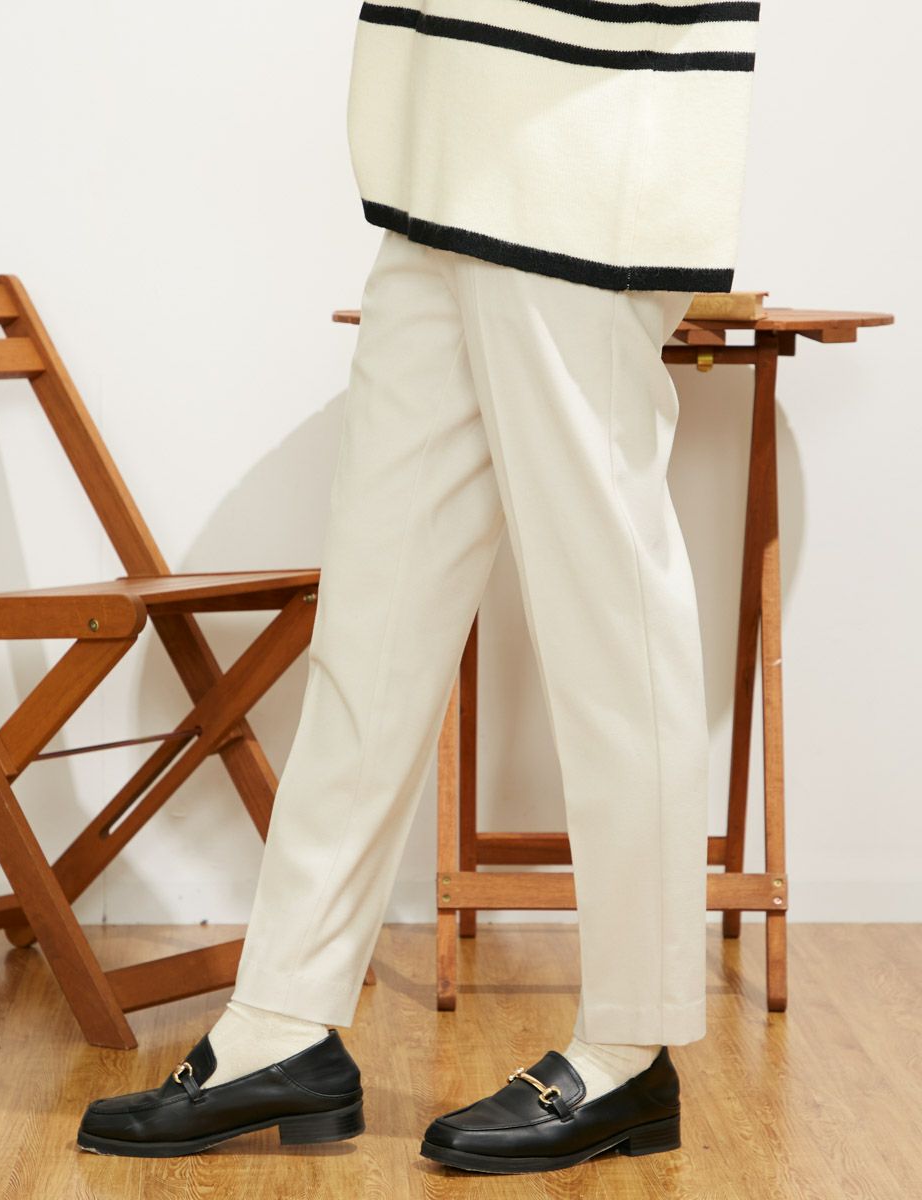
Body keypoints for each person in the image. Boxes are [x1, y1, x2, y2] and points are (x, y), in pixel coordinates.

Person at [77, 0, 761, 1174]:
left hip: (577, 152)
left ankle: (631, 1046)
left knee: (610, 636)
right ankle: (282, 1022)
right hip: (440, 158)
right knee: (373, 630)